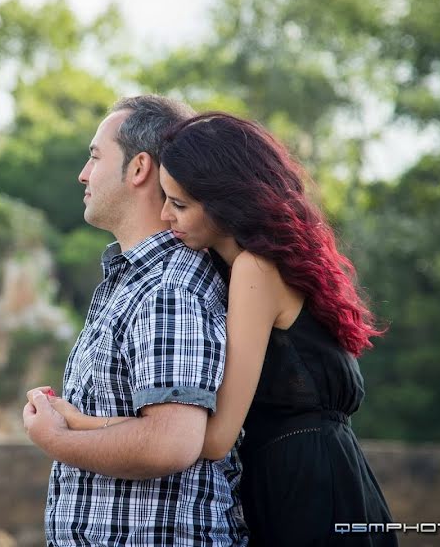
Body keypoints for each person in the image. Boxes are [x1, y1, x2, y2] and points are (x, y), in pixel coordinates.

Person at [39, 112, 397, 546]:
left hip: (308, 490)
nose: (167, 215)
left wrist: (78, 425)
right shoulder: (241, 269)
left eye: (181, 204)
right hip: (310, 476)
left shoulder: (254, 271)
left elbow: (211, 439)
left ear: (226, 201)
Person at [22, 96, 248, 546]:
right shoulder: (133, 283)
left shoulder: (169, 290)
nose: (83, 175)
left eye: (95, 156)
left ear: (139, 167)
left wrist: (56, 439)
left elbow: (172, 443)